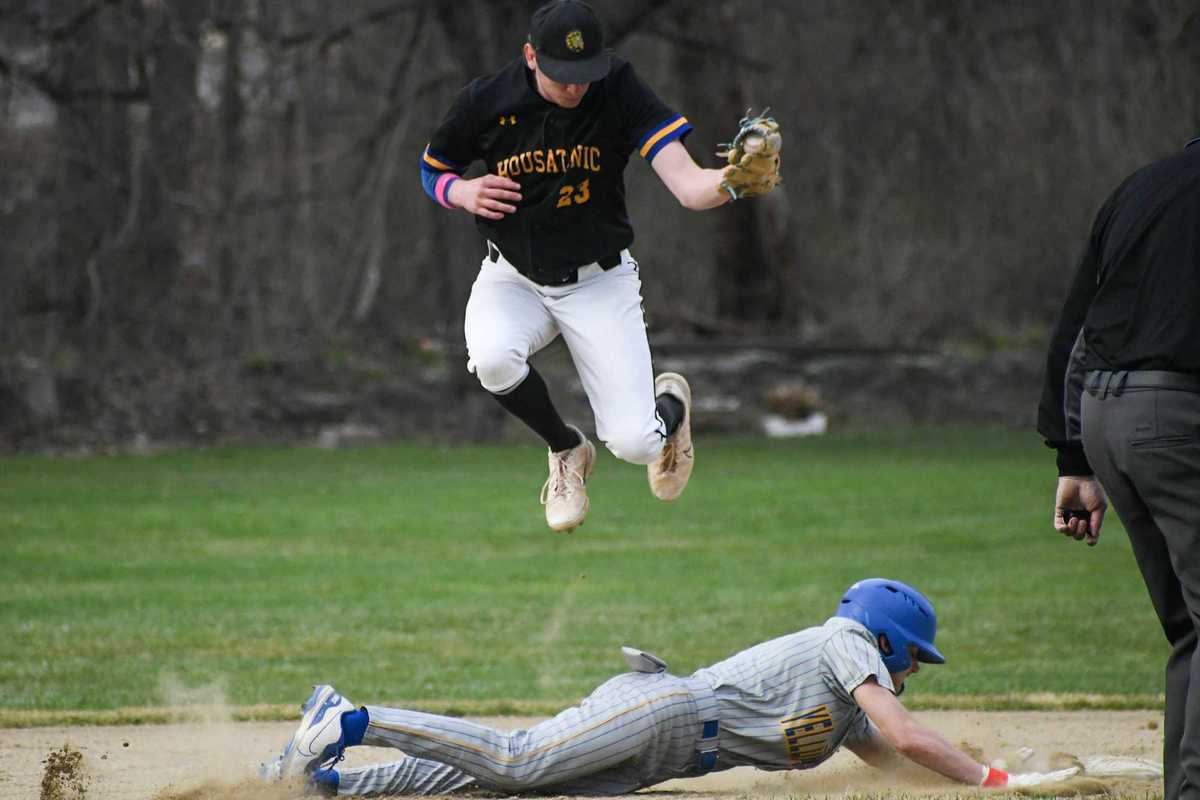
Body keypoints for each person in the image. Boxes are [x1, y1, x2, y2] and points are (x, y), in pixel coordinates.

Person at [260, 578, 1075, 796]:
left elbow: (899, 763)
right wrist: (995, 780)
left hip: (662, 750)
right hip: (668, 713)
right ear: (889, 638)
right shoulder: (847, 642)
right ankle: (352, 719)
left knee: (497, 785)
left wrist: (977, 777)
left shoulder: (844, 708)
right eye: (913, 659)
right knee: (514, 761)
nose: (908, 674)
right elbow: (903, 733)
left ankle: (330, 788)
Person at [419, 0, 750, 533]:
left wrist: (734, 178)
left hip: (599, 280)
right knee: (491, 357)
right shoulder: (487, 101)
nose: (575, 87)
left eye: (584, 75)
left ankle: (672, 406)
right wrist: (462, 190)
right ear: (530, 56)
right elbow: (432, 168)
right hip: (515, 277)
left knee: (637, 443)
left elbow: (690, 188)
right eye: (562, 75)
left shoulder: (617, 88)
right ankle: (567, 449)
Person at [1038, 135, 1200, 800]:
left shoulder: (1145, 186)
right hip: (1179, 414)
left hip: (1107, 417)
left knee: (1190, 626)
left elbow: (1079, 322)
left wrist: (1074, 454)